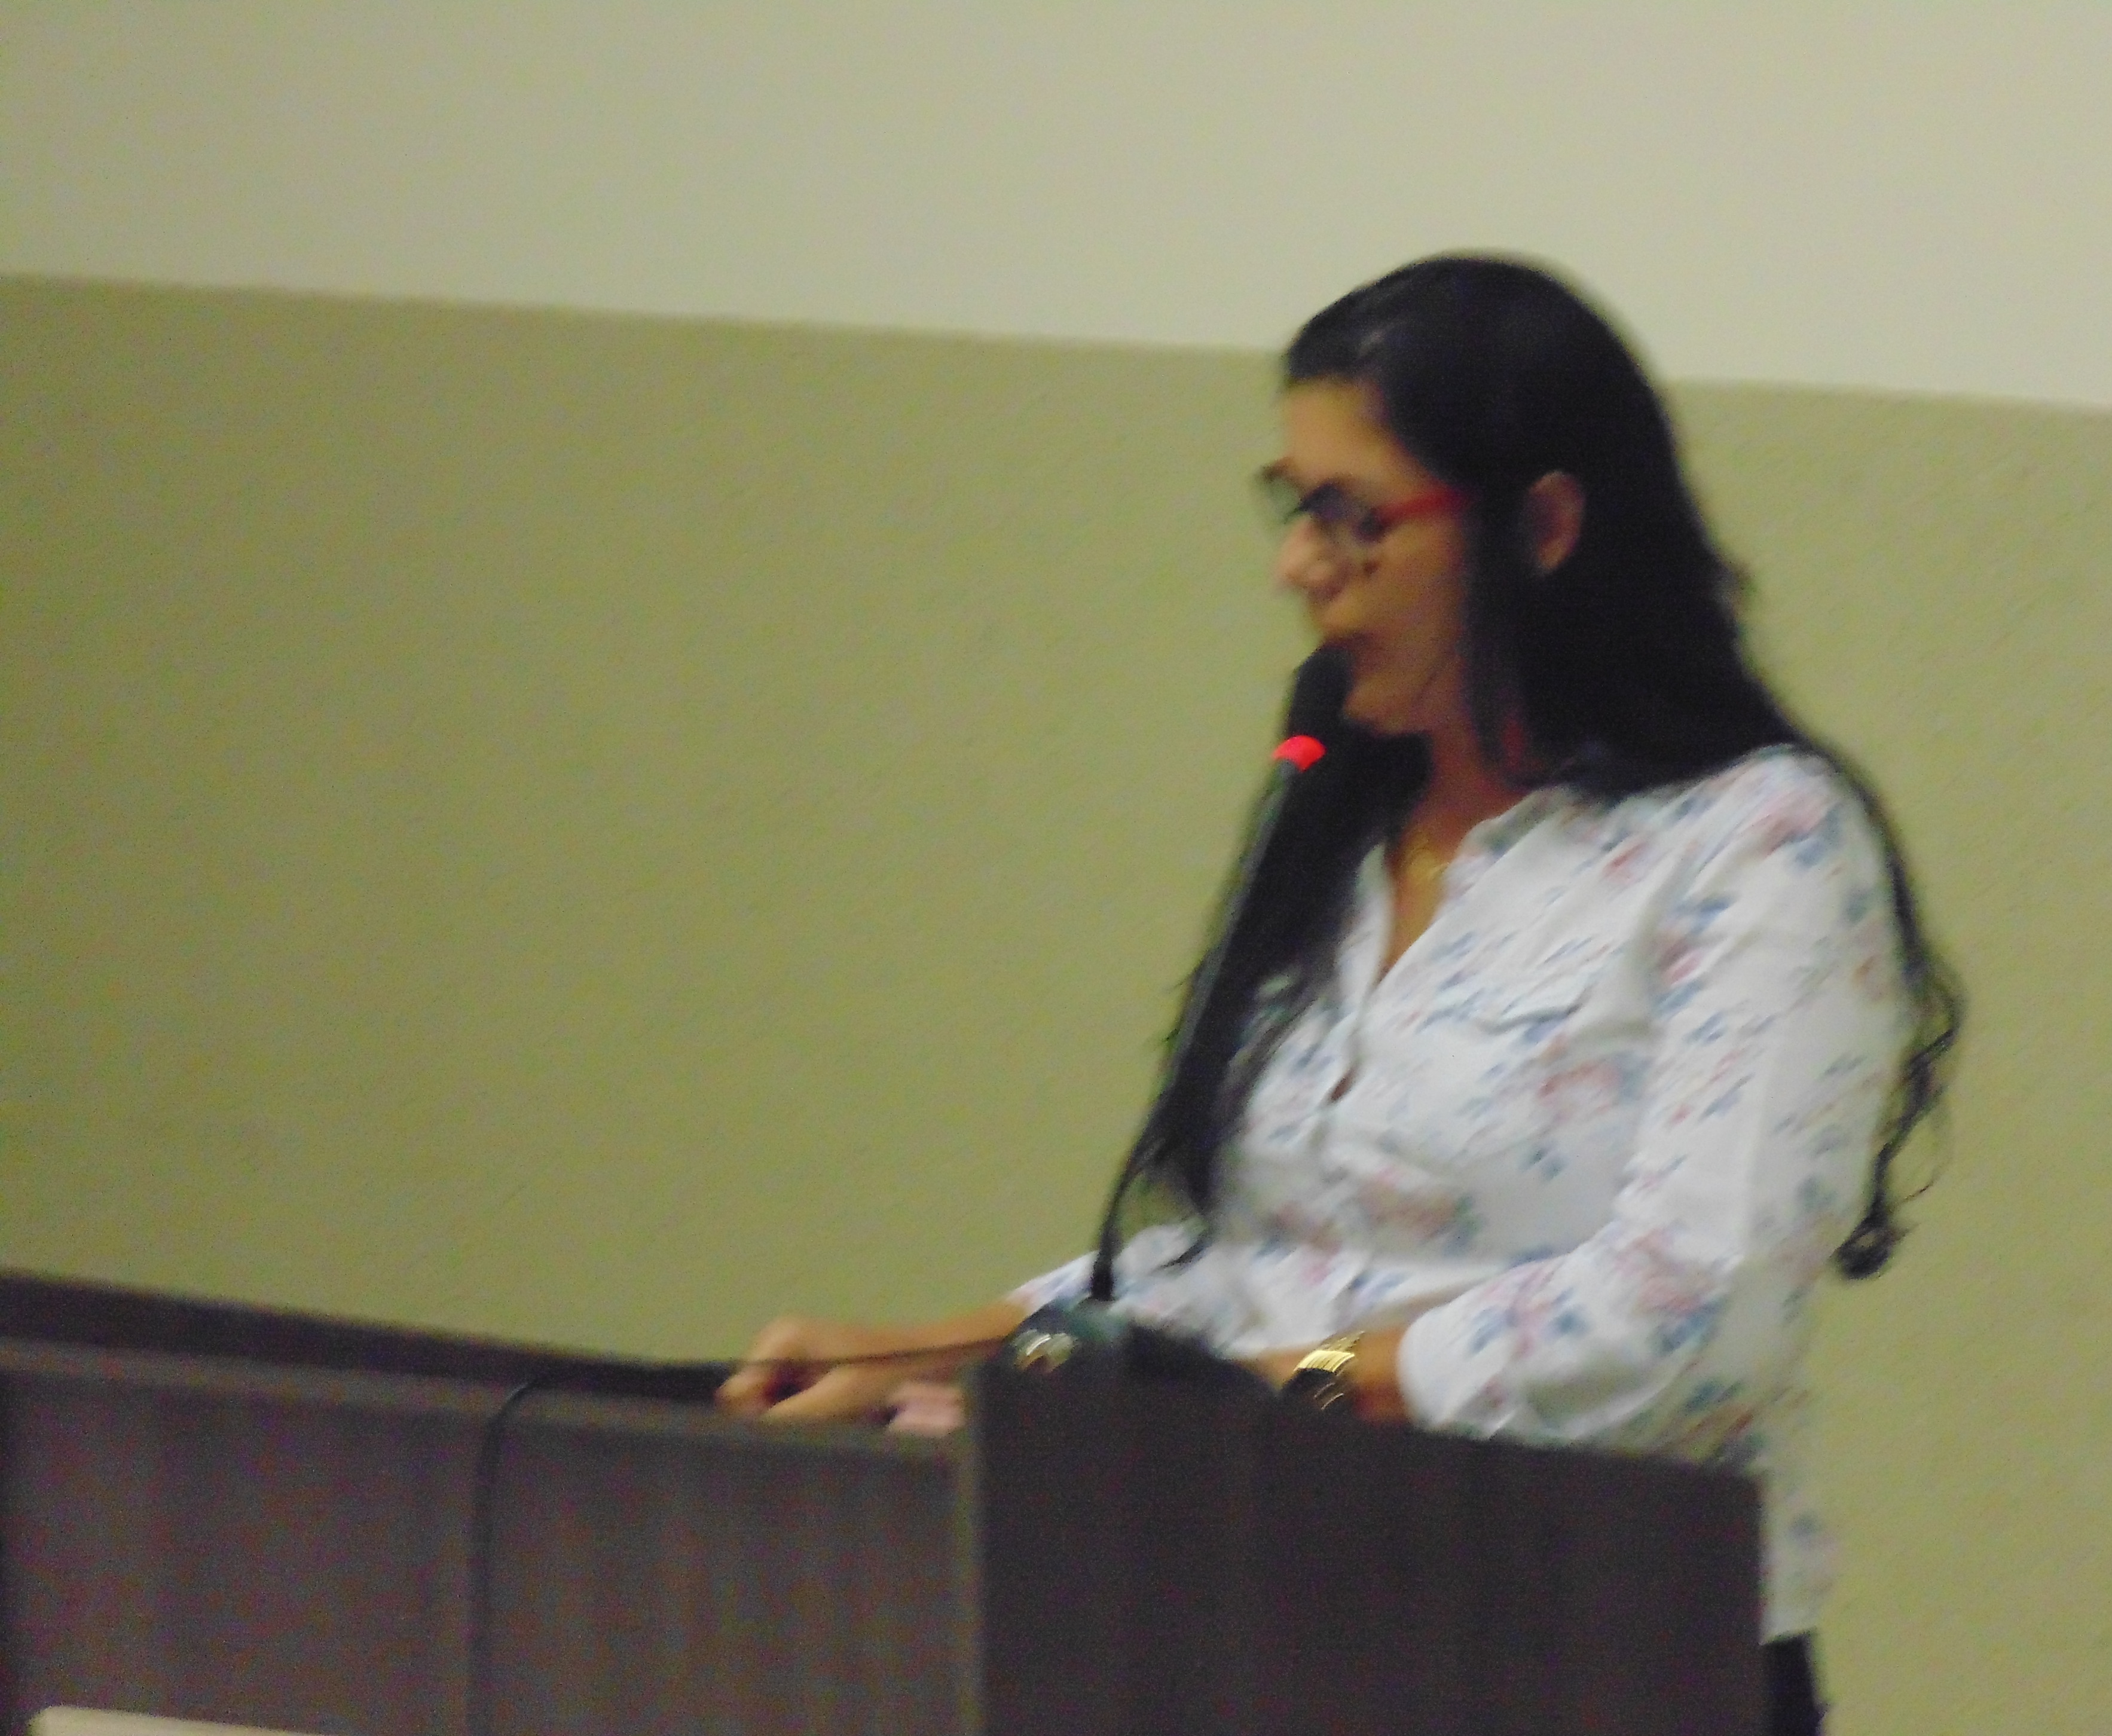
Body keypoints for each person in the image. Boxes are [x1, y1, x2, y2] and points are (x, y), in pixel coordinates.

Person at [719, 255, 1961, 1736]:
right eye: (1291, 508)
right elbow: (1262, 1256)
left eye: (1350, 517)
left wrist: (1257, 1405)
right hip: (1277, 1629)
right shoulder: (1348, 823)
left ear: (1544, 527)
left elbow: (1691, 1318)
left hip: (1603, 1652)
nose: (1298, 568)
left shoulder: (1757, 844)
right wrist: (943, 1354)